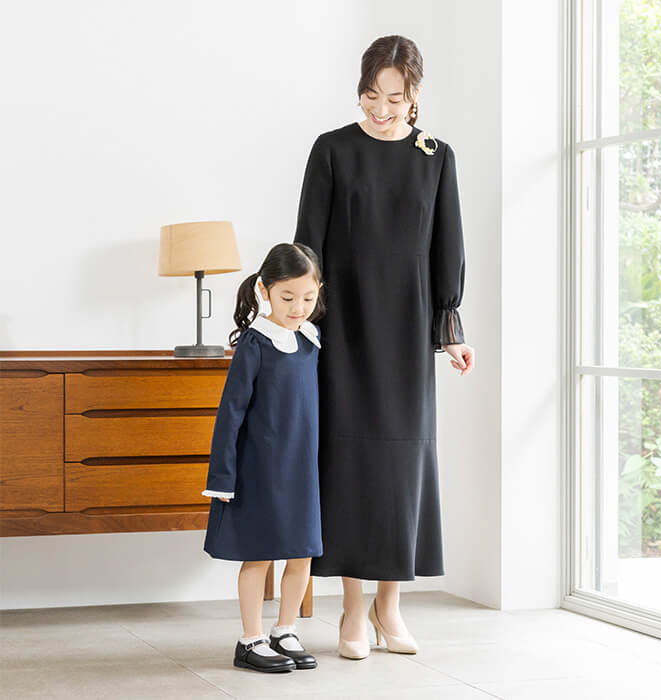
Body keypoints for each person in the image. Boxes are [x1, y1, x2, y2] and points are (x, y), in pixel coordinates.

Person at [293, 35, 475, 659]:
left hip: (406, 332)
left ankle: (389, 607)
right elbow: (307, 244)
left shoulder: (436, 157)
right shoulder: (332, 150)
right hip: (343, 330)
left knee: (401, 468)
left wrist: (450, 330)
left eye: (394, 97)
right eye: (371, 94)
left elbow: (447, 246)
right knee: (349, 465)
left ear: (414, 94)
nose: (380, 108)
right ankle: (352, 609)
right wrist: (300, 323)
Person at [201, 242, 326, 673]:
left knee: (302, 552)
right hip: (260, 469)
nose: (298, 308)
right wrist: (222, 476)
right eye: (287, 297)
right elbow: (230, 413)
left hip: (301, 469)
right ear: (264, 290)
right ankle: (250, 639)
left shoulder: (311, 340)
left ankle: (284, 630)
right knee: (259, 554)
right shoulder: (255, 344)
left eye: (307, 298)